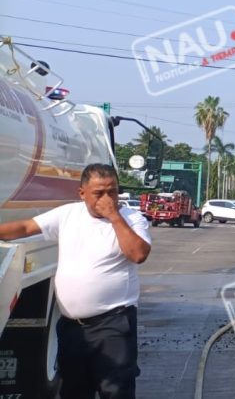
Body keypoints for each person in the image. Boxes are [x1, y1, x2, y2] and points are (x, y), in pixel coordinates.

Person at [0, 163, 151, 399]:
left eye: (112, 191)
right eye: (99, 193)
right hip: (72, 328)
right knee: (74, 391)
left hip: (112, 325)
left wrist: (114, 217)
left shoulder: (132, 219)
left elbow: (138, 254)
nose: (107, 199)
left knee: (116, 391)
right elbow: (26, 227)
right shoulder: (68, 214)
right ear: (82, 194)